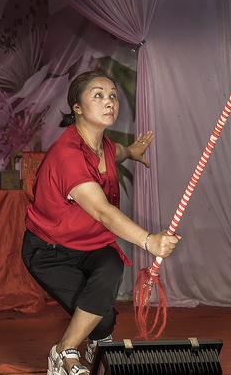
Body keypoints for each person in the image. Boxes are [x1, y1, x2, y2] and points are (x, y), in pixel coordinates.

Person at [22, 70, 180, 375]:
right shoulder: (67, 155)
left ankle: (74, 346)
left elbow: (117, 152)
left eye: (112, 96)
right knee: (102, 320)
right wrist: (149, 241)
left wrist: (132, 152)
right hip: (50, 252)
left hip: (90, 245)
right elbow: (102, 212)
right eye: (98, 95)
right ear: (77, 107)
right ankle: (64, 353)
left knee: (111, 265)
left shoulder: (104, 144)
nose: (109, 102)